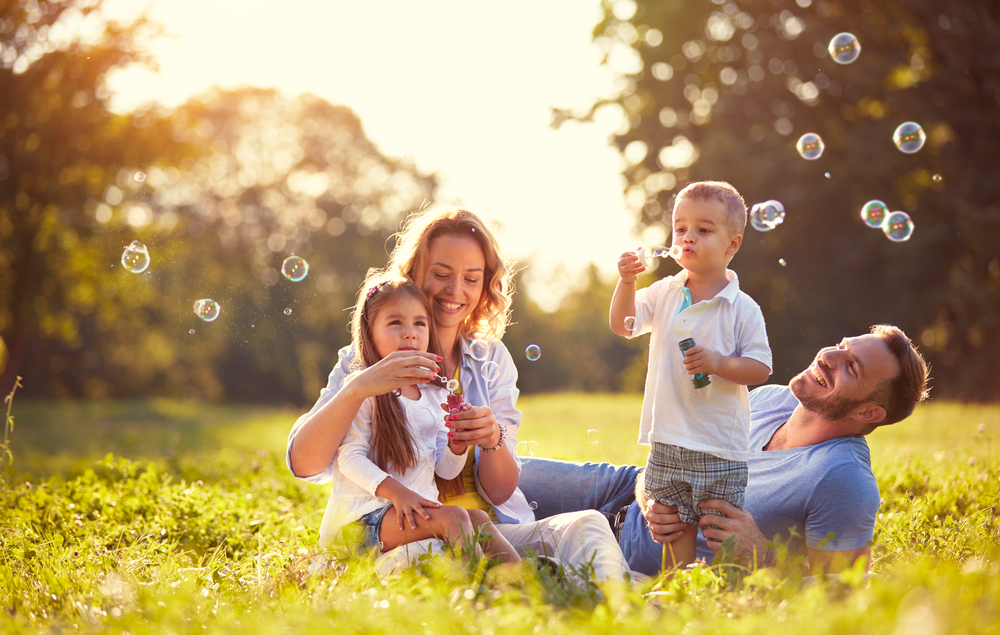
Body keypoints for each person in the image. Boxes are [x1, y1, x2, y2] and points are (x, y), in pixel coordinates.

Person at [287, 208, 630, 580]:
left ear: (485, 285)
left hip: (489, 529)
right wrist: (357, 388)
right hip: (404, 535)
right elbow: (305, 464)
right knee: (442, 565)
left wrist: (489, 438)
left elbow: (498, 492)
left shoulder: (490, 359)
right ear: (413, 274)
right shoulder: (366, 359)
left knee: (588, 526)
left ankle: (621, 610)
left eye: (472, 278)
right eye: (441, 274)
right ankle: (519, 590)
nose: (455, 291)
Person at [519, 324, 930, 576]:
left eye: (851, 366)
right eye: (841, 345)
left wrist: (764, 557)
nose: (828, 356)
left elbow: (842, 597)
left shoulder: (843, 479)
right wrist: (648, 488)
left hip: (632, 552)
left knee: (485, 540)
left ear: (869, 411)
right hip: (623, 488)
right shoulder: (771, 399)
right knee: (489, 470)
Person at [609, 181, 772, 568]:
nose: (688, 237)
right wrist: (627, 282)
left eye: (703, 229)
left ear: (732, 244)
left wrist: (718, 364)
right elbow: (624, 324)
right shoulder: (666, 292)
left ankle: (730, 586)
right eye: (680, 228)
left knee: (720, 525)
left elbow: (760, 367)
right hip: (668, 435)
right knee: (672, 522)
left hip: (719, 442)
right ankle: (679, 586)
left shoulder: (741, 308)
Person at [331, 274, 520, 563]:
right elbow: (348, 458)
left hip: (414, 515)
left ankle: (527, 580)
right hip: (364, 521)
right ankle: (477, 586)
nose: (410, 333)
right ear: (369, 333)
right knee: (455, 516)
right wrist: (398, 494)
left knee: (479, 519)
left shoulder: (435, 395)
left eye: (419, 323)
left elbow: (445, 471)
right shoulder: (363, 388)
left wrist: (457, 445)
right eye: (395, 323)